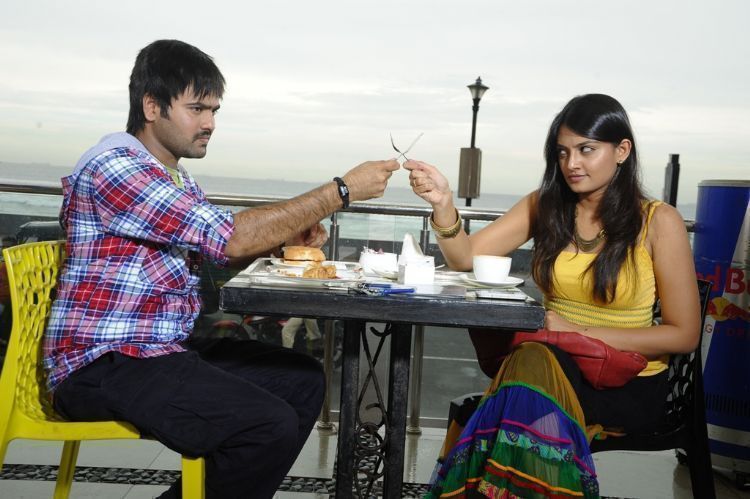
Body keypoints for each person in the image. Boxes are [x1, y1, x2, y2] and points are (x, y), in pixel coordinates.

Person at [43, 39, 400, 499]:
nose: (209, 123)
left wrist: (282, 242)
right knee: (265, 425)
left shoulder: (171, 176)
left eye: (213, 110)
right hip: (101, 362)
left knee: (302, 381)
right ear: (151, 106)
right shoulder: (117, 167)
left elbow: (220, 254)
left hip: (156, 349)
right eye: (197, 109)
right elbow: (229, 236)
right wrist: (341, 190)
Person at [405, 93, 700, 497]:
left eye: (586, 149)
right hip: (549, 364)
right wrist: (443, 203)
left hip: (626, 383)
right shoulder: (546, 206)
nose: (572, 163)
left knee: (523, 381)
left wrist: (574, 330)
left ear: (622, 151)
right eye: (563, 152)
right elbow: (465, 258)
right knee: (532, 369)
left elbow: (684, 334)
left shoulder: (658, 221)